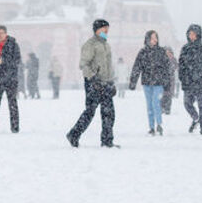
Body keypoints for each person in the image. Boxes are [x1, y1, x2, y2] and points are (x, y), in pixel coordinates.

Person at [66, 19, 117, 148]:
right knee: (90, 112)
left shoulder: (106, 45)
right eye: (104, 28)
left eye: (107, 29)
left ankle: (107, 141)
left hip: (106, 83)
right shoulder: (90, 45)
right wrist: (93, 79)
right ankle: (74, 134)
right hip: (93, 83)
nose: (106, 31)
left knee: (109, 113)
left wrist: (111, 82)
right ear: (97, 30)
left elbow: (109, 66)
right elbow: (83, 64)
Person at [129, 30, 171, 136]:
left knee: (156, 103)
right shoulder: (143, 52)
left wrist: (167, 82)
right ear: (147, 39)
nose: (155, 40)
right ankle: (151, 127)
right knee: (149, 105)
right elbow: (137, 67)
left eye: (156, 37)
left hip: (158, 83)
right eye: (152, 38)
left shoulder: (161, 52)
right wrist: (133, 81)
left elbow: (167, 68)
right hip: (147, 83)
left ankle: (159, 124)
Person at [178, 24, 202, 135]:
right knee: (187, 103)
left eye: (194, 34)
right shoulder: (185, 49)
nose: (192, 36)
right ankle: (196, 118)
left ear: (198, 34)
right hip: (188, 82)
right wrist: (182, 78)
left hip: (201, 82)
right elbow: (181, 65)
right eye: (190, 34)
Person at [162, 47, 178, 114]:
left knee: (169, 95)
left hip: (171, 80)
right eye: (167, 53)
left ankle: (167, 109)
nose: (168, 54)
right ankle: (162, 107)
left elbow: (176, 67)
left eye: (169, 53)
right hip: (162, 80)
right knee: (162, 95)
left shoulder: (173, 60)